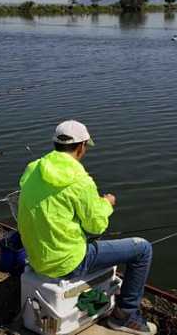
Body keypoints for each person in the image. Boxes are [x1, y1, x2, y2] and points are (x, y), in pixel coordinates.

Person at [18, 120, 157, 335]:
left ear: (55, 144)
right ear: (82, 147)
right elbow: (97, 226)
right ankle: (125, 316)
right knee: (143, 249)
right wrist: (106, 204)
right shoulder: (80, 180)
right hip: (67, 262)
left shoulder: (32, 168)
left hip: (36, 257)